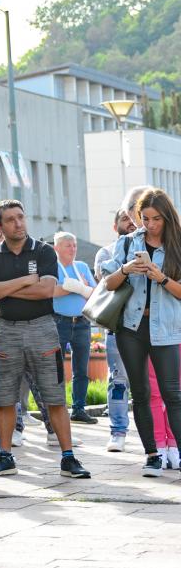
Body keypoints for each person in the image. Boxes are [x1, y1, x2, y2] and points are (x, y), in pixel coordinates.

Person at [0, 199, 90, 479]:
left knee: (54, 396)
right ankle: (4, 457)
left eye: (21, 217)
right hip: (5, 330)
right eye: (12, 219)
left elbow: (47, 290)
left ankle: (68, 458)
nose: (19, 223)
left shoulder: (42, 251)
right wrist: (26, 282)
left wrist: (3, 289)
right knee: (4, 397)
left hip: (42, 327)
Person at [100, 187, 181, 479]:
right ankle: (151, 455)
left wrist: (160, 277)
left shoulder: (177, 245)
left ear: (167, 217)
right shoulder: (126, 243)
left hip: (166, 329)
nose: (149, 224)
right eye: (144, 218)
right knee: (141, 394)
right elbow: (108, 284)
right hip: (131, 329)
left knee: (173, 395)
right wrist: (126, 269)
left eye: (155, 218)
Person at [95, 203, 139, 452]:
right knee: (119, 380)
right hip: (119, 326)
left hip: (149, 326)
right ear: (115, 226)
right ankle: (118, 432)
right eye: (124, 218)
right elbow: (105, 282)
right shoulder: (107, 252)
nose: (130, 222)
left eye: (134, 217)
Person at [50, 231, 97, 423]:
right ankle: (58, 409)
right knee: (56, 369)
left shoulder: (82, 266)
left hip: (82, 323)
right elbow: (50, 291)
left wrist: (73, 286)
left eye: (74, 245)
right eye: (67, 245)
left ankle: (78, 409)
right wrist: (79, 287)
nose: (72, 249)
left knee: (81, 369)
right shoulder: (52, 267)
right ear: (57, 248)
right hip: (59, 322)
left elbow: (94, 294)